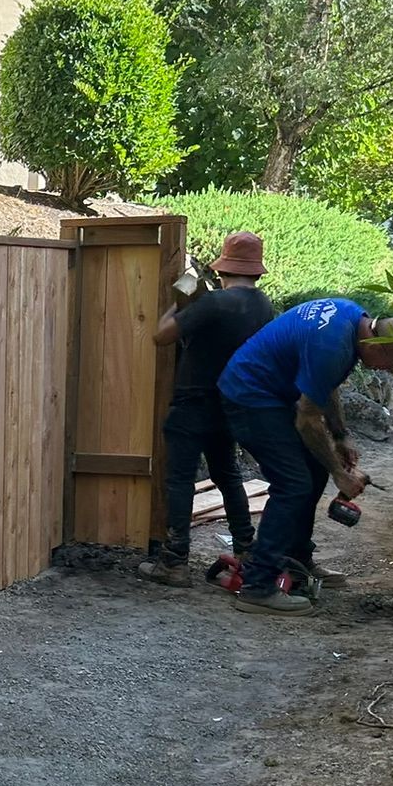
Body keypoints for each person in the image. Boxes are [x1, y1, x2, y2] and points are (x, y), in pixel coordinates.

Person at [217, 299, 393, 614]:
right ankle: (259, 585)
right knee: (293, 483)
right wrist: (341, 473)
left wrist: (340, 436)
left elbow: (325, 386)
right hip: (248, 395)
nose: (388, 371)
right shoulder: (332, 345)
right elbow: (306, 419)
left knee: (313, 469)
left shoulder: (352, 319)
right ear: (379, 347)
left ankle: (296, 559)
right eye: (391, 364)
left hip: (270, 393)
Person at [136, 231, 276, 587]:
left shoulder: (214, 303)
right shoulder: (263, 306)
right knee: (228, 477)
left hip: (191, 403)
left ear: (222, 268)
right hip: (229, 405)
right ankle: (246, 549)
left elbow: (161, 335)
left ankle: (174, 562)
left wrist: (179, 298)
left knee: (180, 479)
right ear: (257, 271)